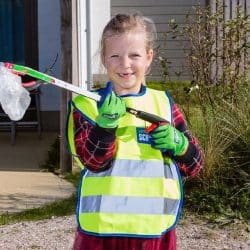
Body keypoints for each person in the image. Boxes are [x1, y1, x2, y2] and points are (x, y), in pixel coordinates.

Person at [67, 13, 204, 250]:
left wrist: (181, 146)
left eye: (135, 55)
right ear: (104, 59)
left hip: (153, 233)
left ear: (149, 58)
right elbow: (92, 161)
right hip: (101, 233)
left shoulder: (165, 105)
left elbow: (195, 165)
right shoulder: (87, 105)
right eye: (115, 56)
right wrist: (105, 126)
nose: (125, 64)